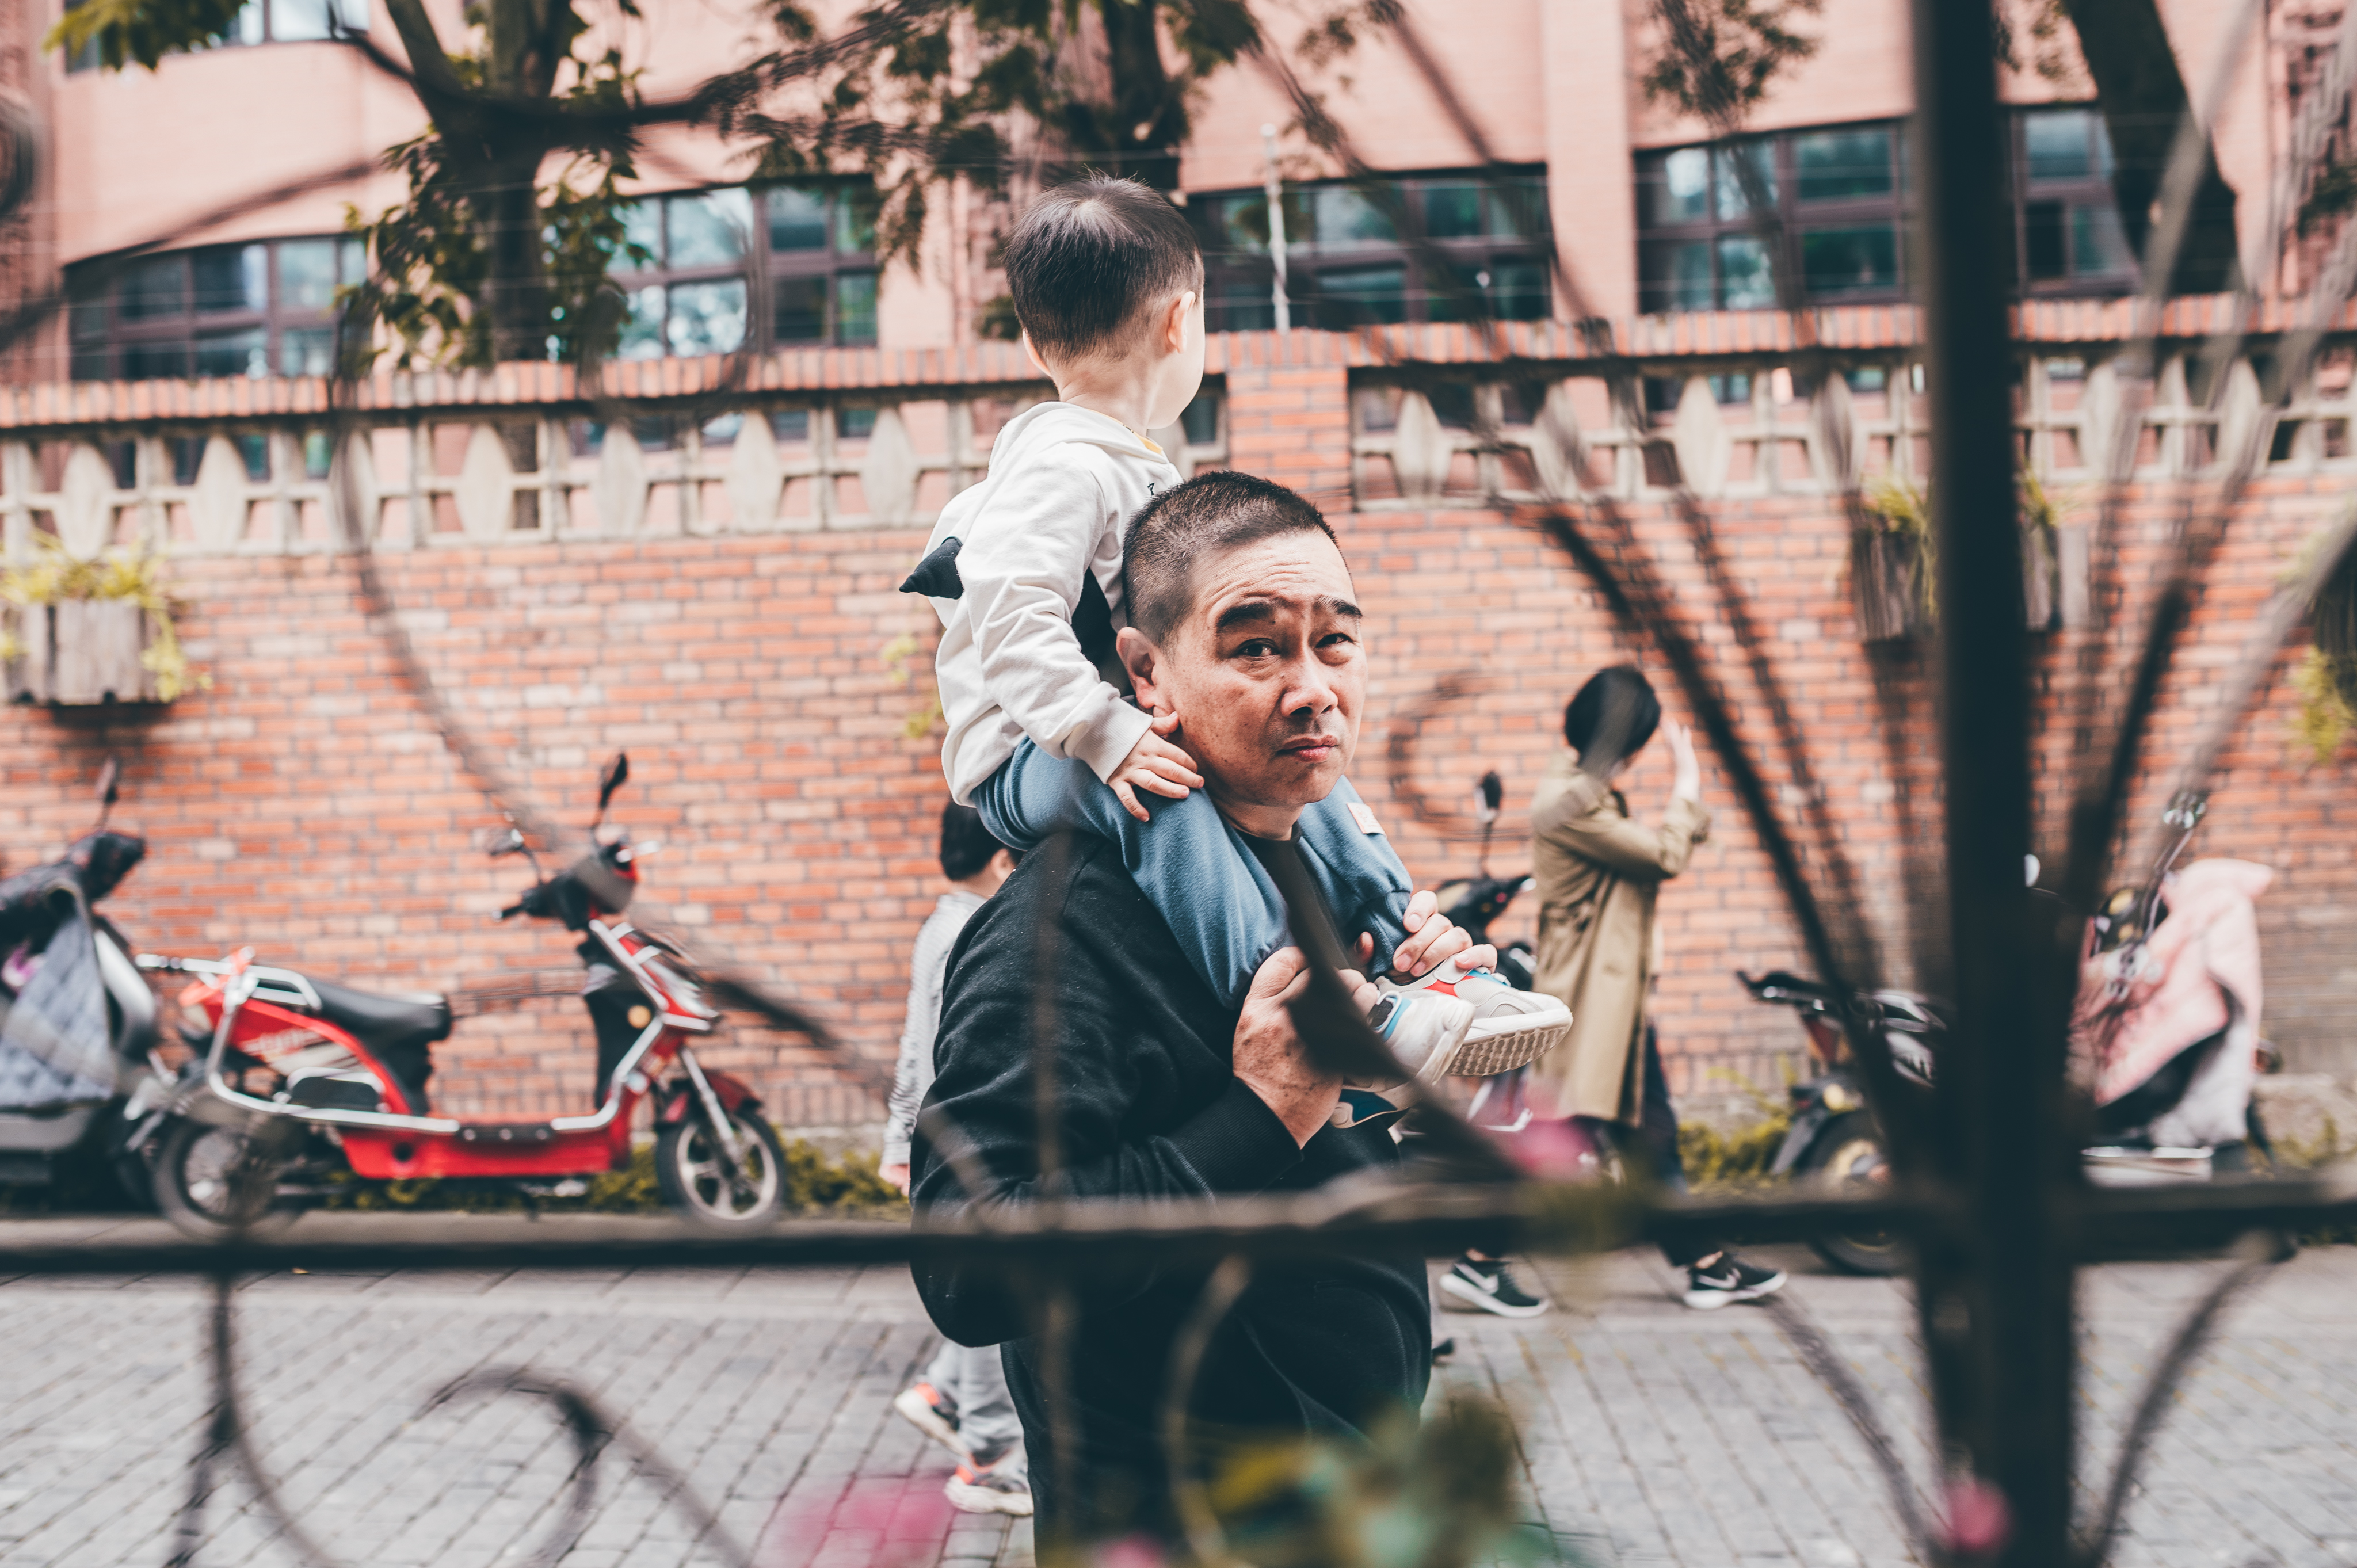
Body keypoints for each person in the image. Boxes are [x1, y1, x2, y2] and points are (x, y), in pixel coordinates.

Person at [912, 472, 1486, 1548]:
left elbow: (1329, 1161)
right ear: (1145, 674)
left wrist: (1422, 1066)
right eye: (1256, 647)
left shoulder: (1317, 880)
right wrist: (1256, 1111)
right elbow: (965, 1265)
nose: (1312, 688)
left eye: (1337, 644)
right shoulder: (1065, 921)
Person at [900, 173, 1565, 1078]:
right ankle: (1308, 1009)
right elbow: (1010, 612)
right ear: (1182, 323)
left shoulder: (1129, 466)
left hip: (1105, 731)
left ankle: (1420, 958)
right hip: (1027, 758)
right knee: (1164, 796)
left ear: (1029, 333)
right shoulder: (1059, 466)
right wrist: (1107, 734)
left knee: (1307, 766)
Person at [1498, 665, 1787, 1313]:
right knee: (1572, 1133)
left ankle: (1705, 1262)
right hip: (1590, 1001)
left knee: (1645, 1130)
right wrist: (1686, 785)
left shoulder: (1582, 792)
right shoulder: (1570, 801)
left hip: (1611, 999)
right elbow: (1662, 855)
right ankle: (1483, 1256)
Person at [880, 803, 1030, 1516]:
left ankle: (939, 1394)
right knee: (989, 1298)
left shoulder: (941, 923)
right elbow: (936, 1053)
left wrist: (898, 1139)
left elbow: (916, 1045)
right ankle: (992, 1460)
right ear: (1007, 859)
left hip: (938, 1143)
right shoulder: (975, 932)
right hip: (959, 1150)